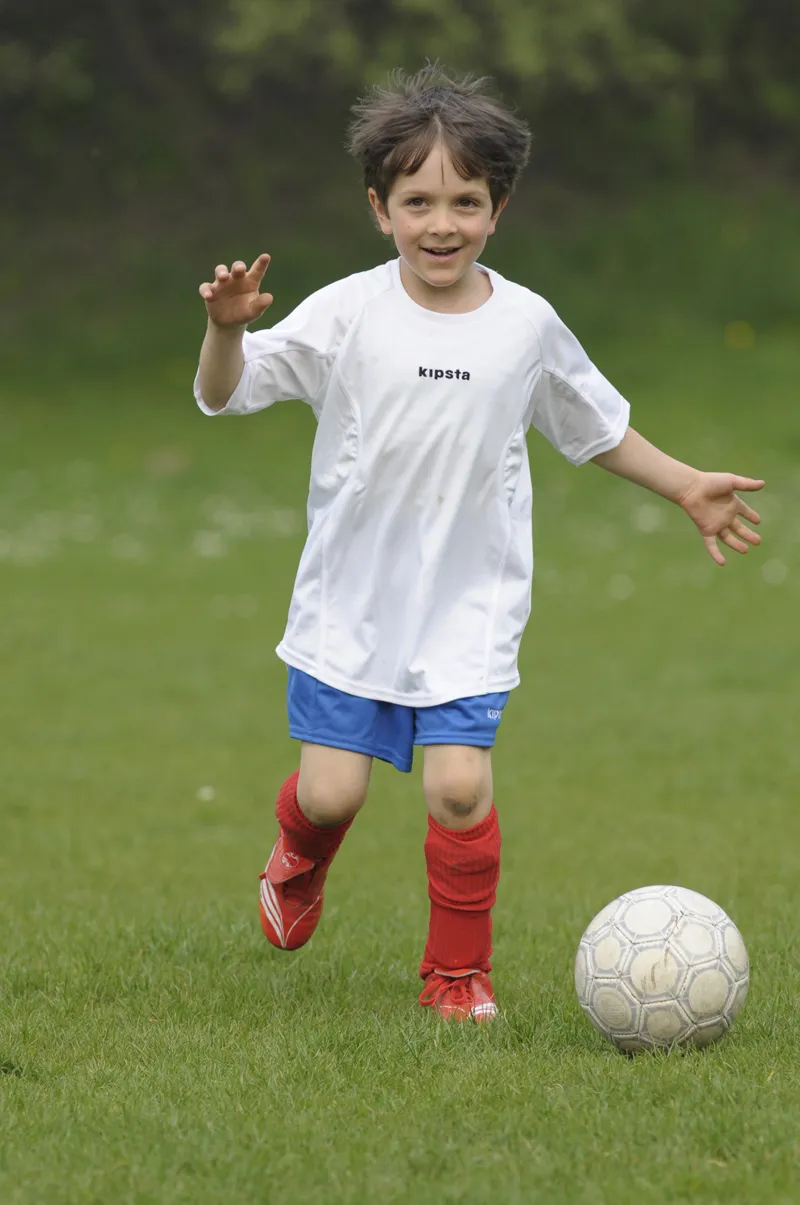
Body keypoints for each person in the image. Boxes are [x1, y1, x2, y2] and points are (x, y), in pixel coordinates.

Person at [194, 65, 764, 1022]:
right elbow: (225, 391)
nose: (442, 222)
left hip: (471, 605)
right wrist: (221, 331)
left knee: (459, 789)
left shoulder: (525, 324)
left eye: (466, 200)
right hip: (352, 603)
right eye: (418, 201)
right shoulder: (348, 312)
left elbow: (595, 426)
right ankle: (298, 859)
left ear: (499, 207)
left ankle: (455, 977)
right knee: (332, 795)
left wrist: (685, 485)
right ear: (379, 209)